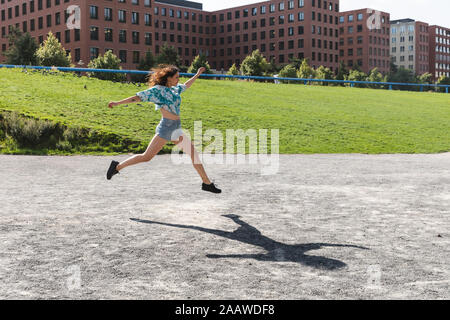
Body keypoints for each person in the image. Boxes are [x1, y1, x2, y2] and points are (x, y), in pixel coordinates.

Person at [106, 65, 221, 194]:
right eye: (176, 77)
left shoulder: (174, 89)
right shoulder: (157, 90)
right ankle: (116, 167)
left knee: (193, 154)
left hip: (176, 128)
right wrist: (117, 103)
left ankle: (207, 183)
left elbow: (186, 85)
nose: (179, 79)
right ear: (168, 78)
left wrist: (197, 74)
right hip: (166, 128)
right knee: (146, 157)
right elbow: (137, 97)